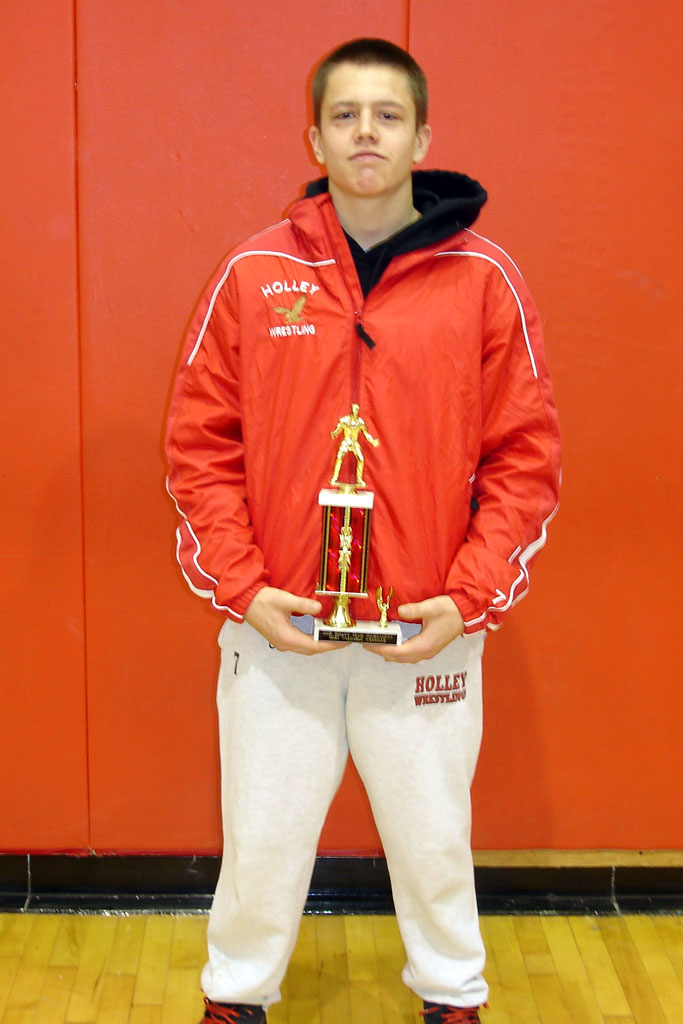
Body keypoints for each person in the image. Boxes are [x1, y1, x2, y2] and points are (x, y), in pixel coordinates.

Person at [165, 38, 561, 1024]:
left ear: (421, 137)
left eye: (387, 115)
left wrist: (466, 597)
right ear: (314, 136)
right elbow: (197, 448)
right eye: (344, 116)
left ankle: (451, 998)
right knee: (261, 839)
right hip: (280, 625)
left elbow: (525, 458)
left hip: (424, 626)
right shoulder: (255, 272)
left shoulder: (484, 279)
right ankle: (235, 998)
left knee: (433, 841)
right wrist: (244, 589)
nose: (365, 133)